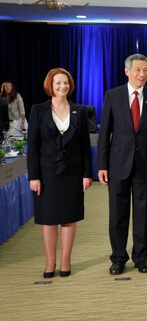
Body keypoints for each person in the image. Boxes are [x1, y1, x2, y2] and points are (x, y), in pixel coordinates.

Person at [97, 54, 147, 275]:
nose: (142, 74)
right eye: (138, 69)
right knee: (117, 213)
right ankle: (118, 258)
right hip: (118, 165)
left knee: (143, 214)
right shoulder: (113, 95)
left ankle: (141, 257)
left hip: (146, 165)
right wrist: (102, 165)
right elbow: (104, 133)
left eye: (146, 70)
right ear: (127, 71)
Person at [27, 68, 92, 278]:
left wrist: (86, 174)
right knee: (48, 218)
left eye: (65, 83)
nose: (62, 86)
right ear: (50, 86)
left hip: (73, 173)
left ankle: (65, 262)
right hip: (46, 174)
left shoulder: (80, 110)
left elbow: (85, 146)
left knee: (69, 217)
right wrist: (34, 176)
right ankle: (49, 262)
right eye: (58, 83)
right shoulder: (38, 110)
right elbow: (33, 147)